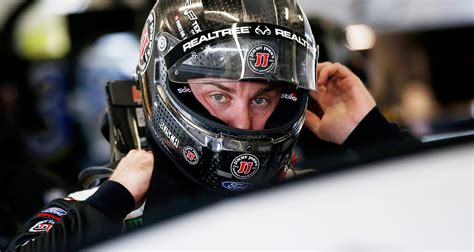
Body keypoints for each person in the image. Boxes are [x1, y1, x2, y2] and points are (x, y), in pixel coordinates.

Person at [7, 0, 419, 251]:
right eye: (219, 95)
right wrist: (112, 200)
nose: (242, 120)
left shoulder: (325, 197)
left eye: (262, 98)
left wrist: (371, 133)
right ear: (167, 89)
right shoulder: (98, 210)